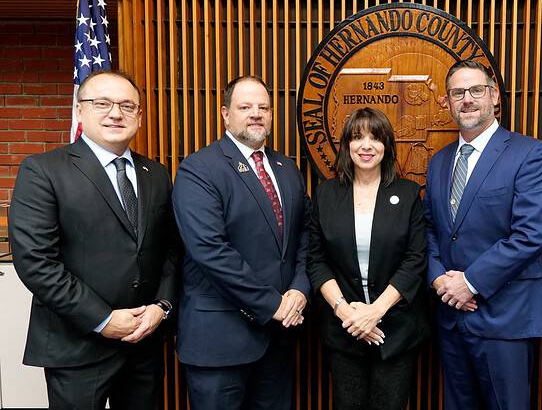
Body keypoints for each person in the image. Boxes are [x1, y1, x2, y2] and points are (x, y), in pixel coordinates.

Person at [9, 70, 180, 410]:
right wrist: (103, 319)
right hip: (76, 347)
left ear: (140, 116)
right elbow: (36, 263)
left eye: (127, 106)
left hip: (143, 344)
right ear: (80, 110)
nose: (116, 113)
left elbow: (172, 251)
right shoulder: (43, 170)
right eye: (102, 103)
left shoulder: (157, 174)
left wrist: (162, 307)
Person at [172, 75, 311, 410]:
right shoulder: (199, 169)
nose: (256, 114)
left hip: (278, 341)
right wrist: (273, 305)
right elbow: (210, 251)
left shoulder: (287, 168)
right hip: (220, 341)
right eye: (245, 106)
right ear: (225, 114)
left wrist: (299, 288)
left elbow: (303, 237)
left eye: (263, 107)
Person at [424, 59, 542, 410]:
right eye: (457, 93)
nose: (467, 99)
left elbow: (531, 233)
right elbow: (431, 230)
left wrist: (469, 282)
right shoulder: (438, 162)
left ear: (494, 96)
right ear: (447, 102)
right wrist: (440, 282)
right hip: (452, 317)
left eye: (476, 90)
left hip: (505, 319)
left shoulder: (529, 153)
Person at [307, 107, 428, 410]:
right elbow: (316, 259)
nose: (366, 146)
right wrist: (345, 312)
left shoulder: (408, 193)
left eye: (375, 138)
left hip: (396, 328)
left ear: (386, 146)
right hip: (343, 328)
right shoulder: (326, 194)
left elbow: (415, 259)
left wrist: (375, 311)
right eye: (357, 137)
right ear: (346, 144)